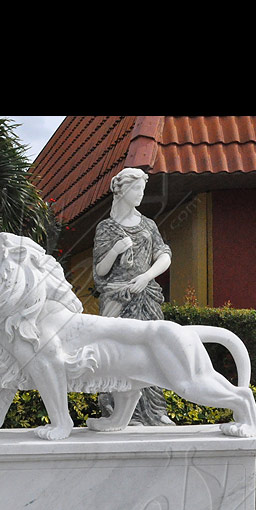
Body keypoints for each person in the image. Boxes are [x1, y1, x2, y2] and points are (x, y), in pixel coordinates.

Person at [92, 167, 174, 426]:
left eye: (143, 189)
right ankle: (118, 411)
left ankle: (154, 410)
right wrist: (116, 249)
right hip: (116, 297)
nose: (141, 194)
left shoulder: (148, 224)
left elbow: (164, 255)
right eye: (137, 189)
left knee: (152, 351)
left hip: (145, 294)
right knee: (115, 353)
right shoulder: (106, 228)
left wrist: (146, 277)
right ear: (124, 191)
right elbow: (100, 271)